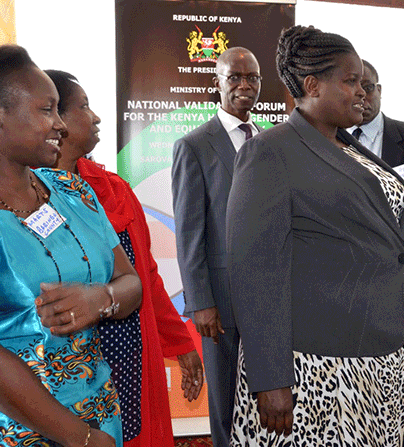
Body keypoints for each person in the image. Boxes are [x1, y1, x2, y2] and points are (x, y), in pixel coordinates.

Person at [226, 25, 404, 446]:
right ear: (312, 85)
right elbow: (254, 272)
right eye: (350, 82)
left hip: (381, 349)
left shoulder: (349, 146)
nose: (362, 93)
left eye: (363, 83)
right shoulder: (269, 153)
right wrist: (270, 378)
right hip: (319, 366)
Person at [0, 45, 143, 447]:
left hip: (98, 413)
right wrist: (81, 439)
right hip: (5, 428)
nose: (60, 125)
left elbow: (132, 283)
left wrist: (101, 298)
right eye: (46, 110)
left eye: (59, 110)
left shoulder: (73, 191)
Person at [45, 69, 204, 447]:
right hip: (66, 365)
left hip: (130, 351)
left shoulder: (113, 189)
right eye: (84, 107)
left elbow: (144, 275)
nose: (97, 117)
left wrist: (179, 342)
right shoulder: (24, 199)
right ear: (56, 120)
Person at [171, 46, 261, 447]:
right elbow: (188, 232)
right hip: (221, 299)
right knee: (225, 392)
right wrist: (201, 300)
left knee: (270, 385)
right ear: (217, 85)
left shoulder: (272, 140)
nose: (245, 85)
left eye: (253, 78)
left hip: (272, 291)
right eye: (235, 78)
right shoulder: (194, 145)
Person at [346, 59, 404, 187]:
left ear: (379, 90)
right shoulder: (326, 140)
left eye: (367, 88)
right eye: (351, 88)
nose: (361, 95)